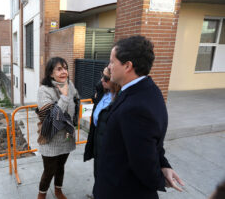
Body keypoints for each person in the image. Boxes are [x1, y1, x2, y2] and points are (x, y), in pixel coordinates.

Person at [94, 35, 184, 199]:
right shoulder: (146, 89)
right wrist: (163, 165)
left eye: (112, 62)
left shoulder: (136, 107)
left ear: (128, 66)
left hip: (122, 191)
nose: (109, 66)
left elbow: (143, 162)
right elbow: (150, 142)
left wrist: (159, 177)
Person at [36, 57, 79, 199]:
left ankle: (58, 190)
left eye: (65, 68)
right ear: (50, 73)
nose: (64, 71)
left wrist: (82, 117)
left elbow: (77, 101)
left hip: (66, 136)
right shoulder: (44, 90)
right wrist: (65, 96)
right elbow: (52, 118)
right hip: (50, 138)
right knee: (49, 170)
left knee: (61, 167)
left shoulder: (70, 85)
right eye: (59, 69)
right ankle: (41, 195)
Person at [83, 66, 121, 199]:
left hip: (108, 146)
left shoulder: (120, 99)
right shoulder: (103, 92)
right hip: (97, 141)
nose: (102, 80)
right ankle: (96, 193)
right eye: (101, 75)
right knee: (97, 172)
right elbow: (99, 85)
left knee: (106, 176)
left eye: (105, 78)